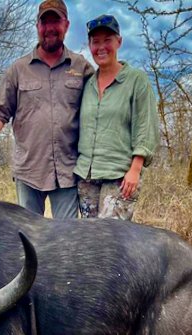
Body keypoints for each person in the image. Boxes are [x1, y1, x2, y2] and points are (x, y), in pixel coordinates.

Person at [0, 0, 93, 219]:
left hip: (68, 170)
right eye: (44, 22)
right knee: (28, 238)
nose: (50, 28)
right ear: (37, 26)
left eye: (55, 21)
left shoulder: (81, 67)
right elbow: (0, 111)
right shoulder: (18, 69)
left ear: (66, 25)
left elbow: (100, 107)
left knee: (67, 240)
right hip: (29, 171)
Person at [74, 14, 159, 220]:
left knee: (110, 242)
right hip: (87, 176)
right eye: (95, 42)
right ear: (89, 45)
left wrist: (135, 170)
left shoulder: (136, 80)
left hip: (120, 176)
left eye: (107, 40)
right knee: (88, 241)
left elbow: (145, 127)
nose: (101, 47)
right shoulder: (88, 83)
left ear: (119, 42)